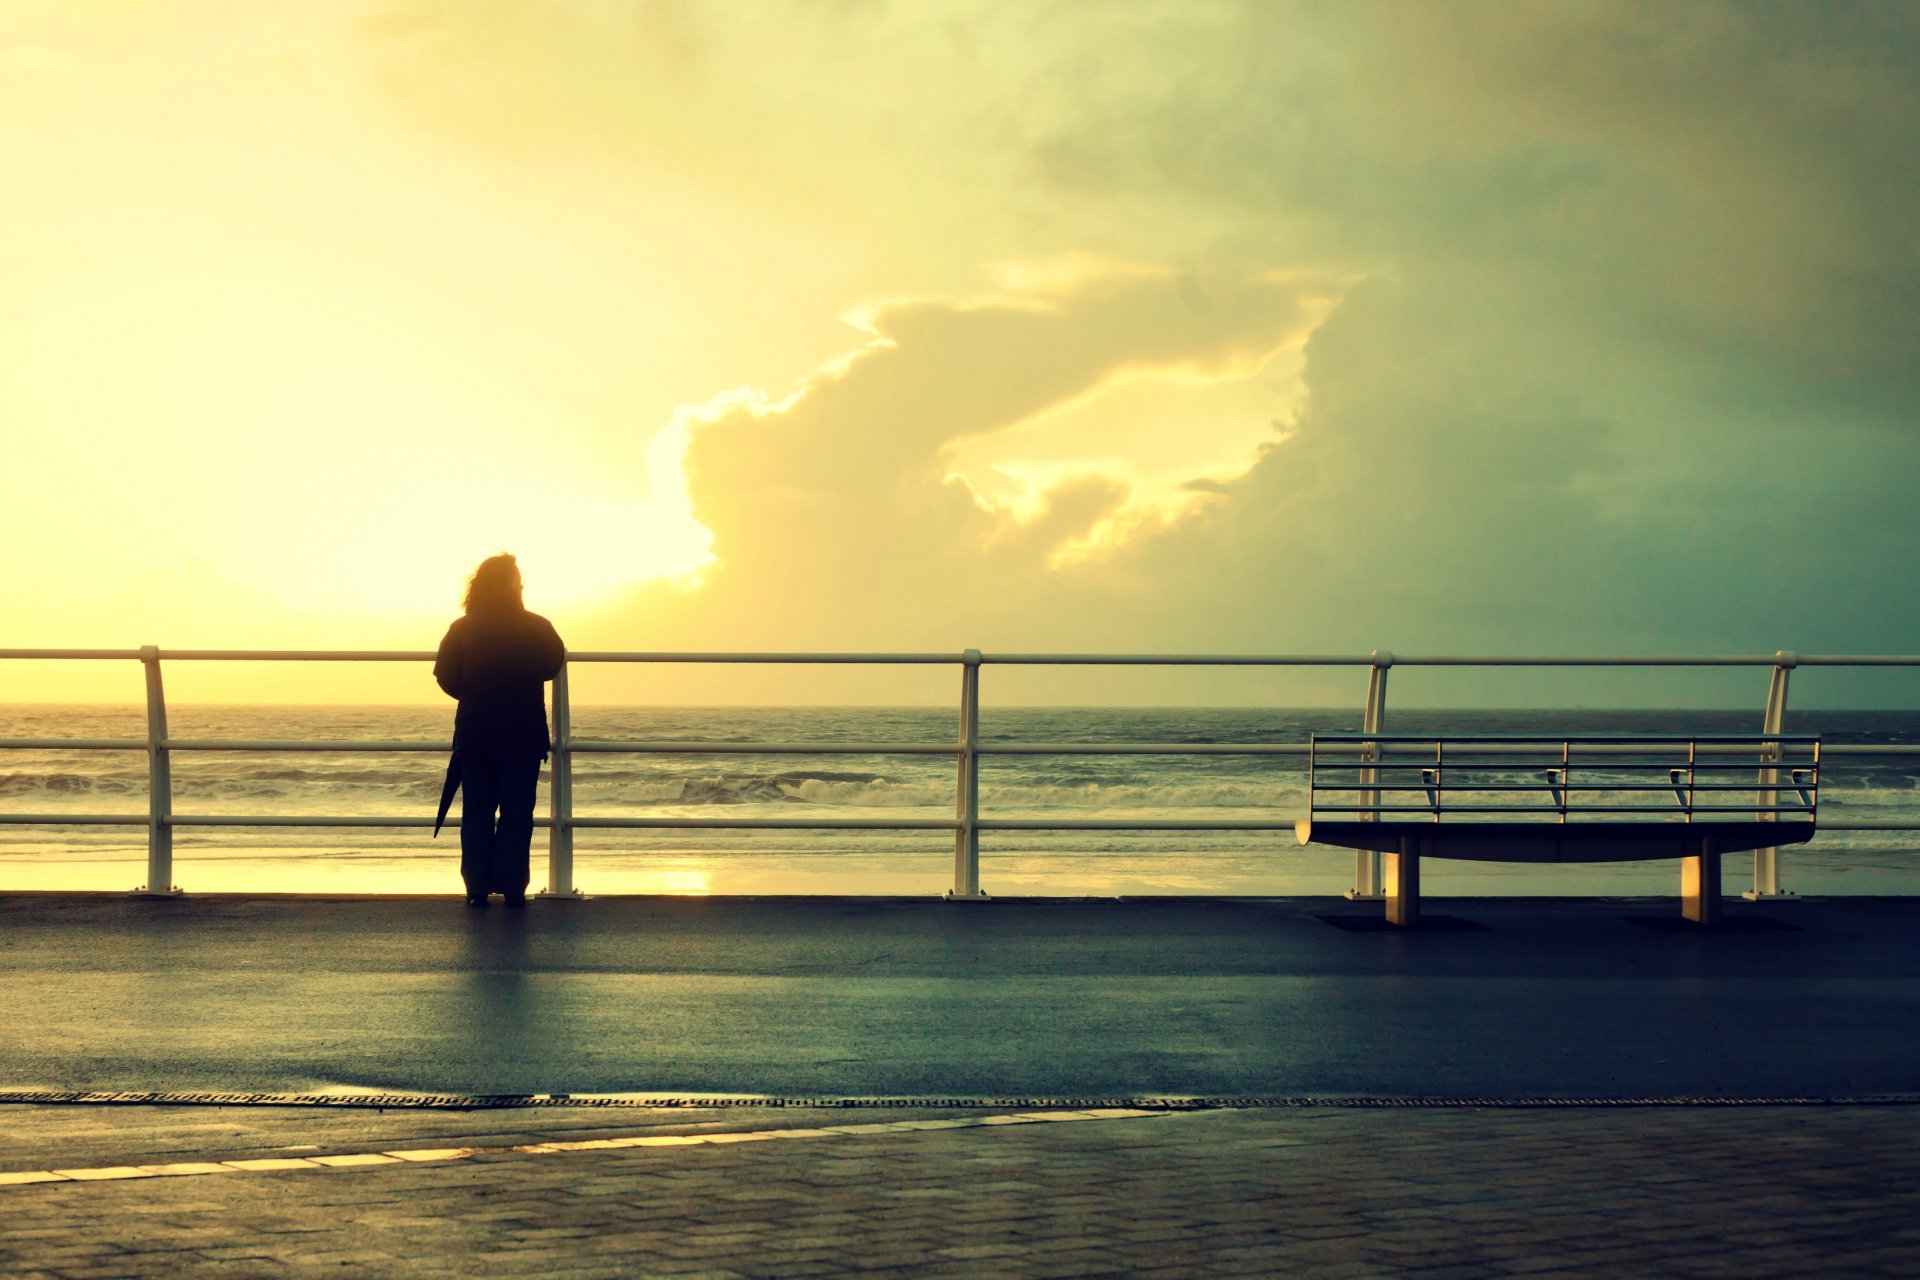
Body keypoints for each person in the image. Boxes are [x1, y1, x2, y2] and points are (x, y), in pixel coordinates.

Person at [432, 554, 565, 907]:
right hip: (522, 731)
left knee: (476, 810)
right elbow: (553, 665)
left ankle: (476, 889)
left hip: (476, 732)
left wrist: (475, 692)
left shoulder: (462, 628)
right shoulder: (538, 626)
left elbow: (445, 676)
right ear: (512, 585)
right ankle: (512, 888)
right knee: (517, 813)